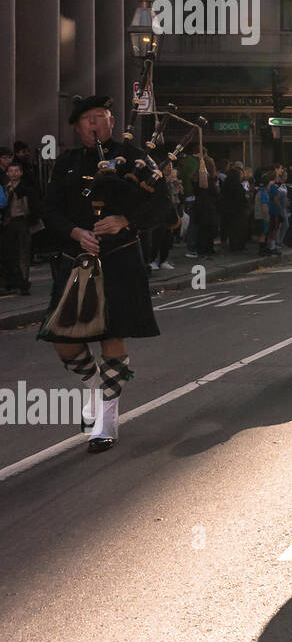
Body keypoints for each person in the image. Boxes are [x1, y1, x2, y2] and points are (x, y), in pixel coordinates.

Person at [36, 96, 173, 452]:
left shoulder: (137, 158)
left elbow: (162, 205)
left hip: (120, 256)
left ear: (112, 122)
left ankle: (107, 420)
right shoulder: (65, 164)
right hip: (77, 257)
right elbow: (49, 210)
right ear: (78, 126)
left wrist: (127, 220)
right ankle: (97, 386)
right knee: (62, 337)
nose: (95, 123)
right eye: (88, 118)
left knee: (111, 334)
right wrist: (75, 233)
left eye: (102, 117)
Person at [1, 159, 41, 294]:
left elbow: (34, 206)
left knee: (23, 253)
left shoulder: (26, 188)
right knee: (9, 253)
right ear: (7, 173)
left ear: (21, 173)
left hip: (22, 221)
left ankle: (24, 282)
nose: (13, 173)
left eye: (16, 171)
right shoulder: (5, 188)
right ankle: (13, 281)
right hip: (8, 222)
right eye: (11, 171)